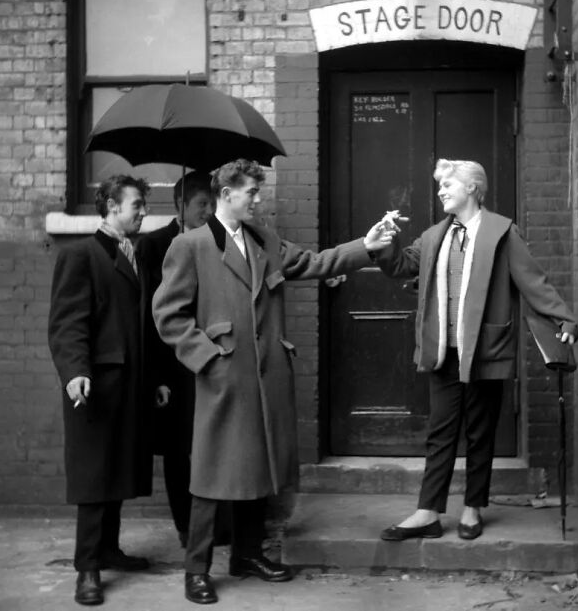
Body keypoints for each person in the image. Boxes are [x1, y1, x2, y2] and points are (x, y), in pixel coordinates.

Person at [152, 159, 395, 605]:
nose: (258, 200)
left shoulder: (263, 238)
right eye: (251, 193)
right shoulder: (190, 246)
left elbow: (316, 262)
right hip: (223, 377)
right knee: (211, 476)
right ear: (226, 194)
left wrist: (367, 244)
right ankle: (196, 570)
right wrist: (208, 358)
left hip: (267, 376)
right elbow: (168, 316)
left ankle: (247, 556)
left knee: (256, 469)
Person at [371, 159, 578, 542]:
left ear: (471, 187)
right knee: (441, 432)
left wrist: (563, 318)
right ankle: (428, 511)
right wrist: (385, 243)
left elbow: (533, 282)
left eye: (448, 184)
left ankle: (472, 508)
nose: (440, 191)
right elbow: (402, 265)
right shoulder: (435, 235)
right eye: (439, 186)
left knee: (481, 432)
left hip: (485, 349)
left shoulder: (502, 232)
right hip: (443, 351)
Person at [48, 175, 168, 606]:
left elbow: (143, 326)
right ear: (112, 207)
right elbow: (67, 323)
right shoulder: (81, 254)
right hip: (95, 386)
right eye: (136, 204)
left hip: (131, 384)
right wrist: (74, 372)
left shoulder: (135, 255)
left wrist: (154, 380)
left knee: (117, 470)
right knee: (95, 477)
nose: (143, 212)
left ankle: (109, 549)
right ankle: (87, 569)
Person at [137, 170, 215, 547]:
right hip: (171, 365)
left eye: (212, 204)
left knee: (209, 444)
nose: (208, 210)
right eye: (201, 204)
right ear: (181, 205)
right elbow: (150, 316)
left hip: (208, 361)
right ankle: (186, 528)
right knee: (177, 448)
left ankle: (216, 527)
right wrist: (157, 377)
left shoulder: (215, 241)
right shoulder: (153, 246)